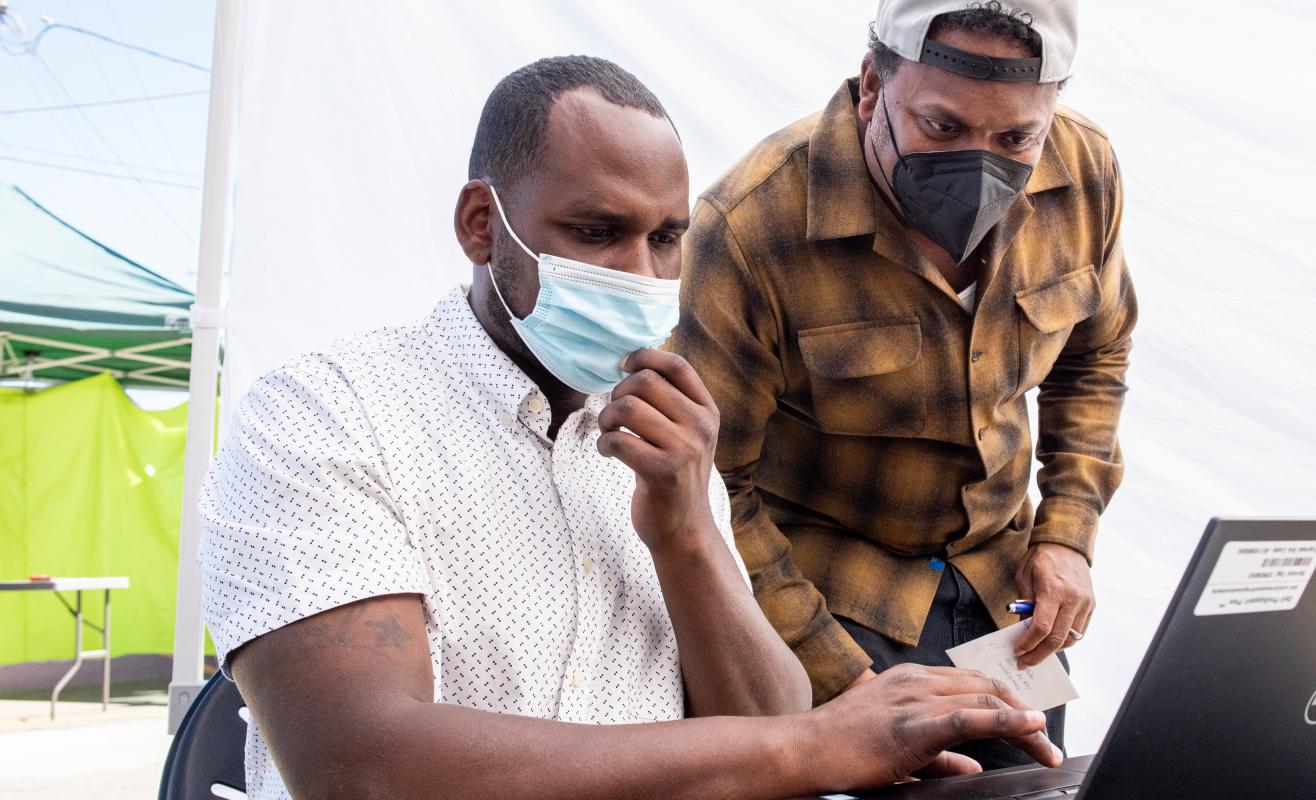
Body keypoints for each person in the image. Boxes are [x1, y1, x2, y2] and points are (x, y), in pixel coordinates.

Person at [198, 56, 1061, 799]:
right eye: (597, 232)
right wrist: (822, 739)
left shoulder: (668, 442)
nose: (641, 275)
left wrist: (687, 532)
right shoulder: (327, 417)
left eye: (667, 239)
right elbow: (362, 769)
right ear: (479, 225)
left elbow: (765, 732)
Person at [671, 0, 1137, 768]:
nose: (979, 163)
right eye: (943, 128)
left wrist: (1067, 534)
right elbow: (711, 491)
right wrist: (845, 687)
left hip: (1005, 599)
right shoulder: (752, 227)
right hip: (827, 602)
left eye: (1016, 137)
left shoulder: (1083, 171)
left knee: (1039, 791)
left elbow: (1098, 352)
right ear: (869, 88)